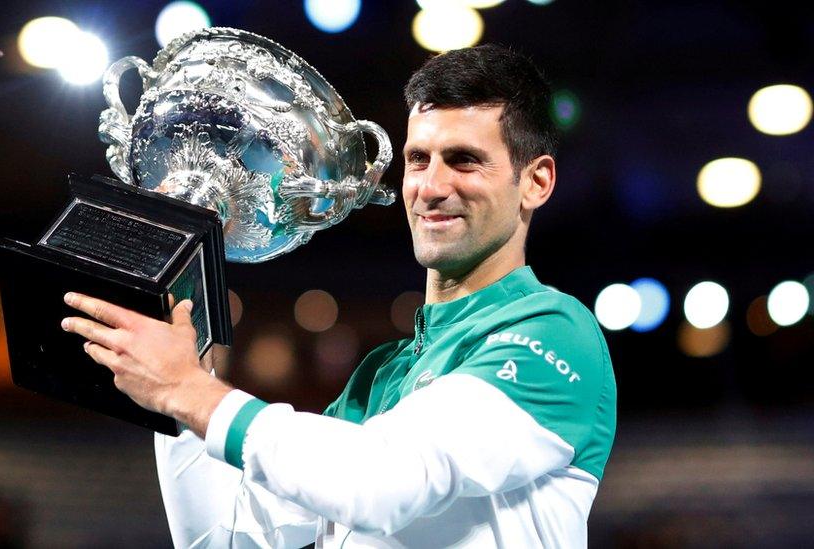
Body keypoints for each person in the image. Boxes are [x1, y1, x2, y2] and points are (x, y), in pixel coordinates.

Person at [61, 43, 617, 548]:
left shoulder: (554, 332)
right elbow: (221, 539)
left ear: (536, 182)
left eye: (464, 160)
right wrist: (185, 367)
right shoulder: (379, 378)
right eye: (419, 160)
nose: (431, 186)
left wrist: (189, 393)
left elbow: (384, 484)